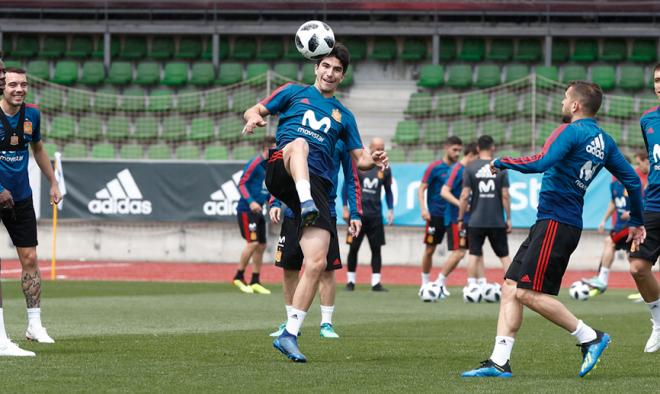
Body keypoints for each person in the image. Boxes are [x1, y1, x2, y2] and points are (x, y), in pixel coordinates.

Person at [461, 81, 645, 378]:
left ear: (575, 105)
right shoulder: (605, 140)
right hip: (558, 222)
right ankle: (499, 362)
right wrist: (636, 221)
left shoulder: (570, 131)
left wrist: (502, 161)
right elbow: (634, 182)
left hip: (555, 222)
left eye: (564, 97)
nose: (562, 102)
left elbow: (542, 162)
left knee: (527, 293)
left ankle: (590, 336)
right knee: (510, 286)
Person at [242, 43, 388, 363]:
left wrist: (373, 159)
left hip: (318, 187)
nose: (330, 73)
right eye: (325, 66)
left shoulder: (344, 116)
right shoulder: (292, 92)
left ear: (342, 76)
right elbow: (253, 110)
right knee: (299, 144)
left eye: (337, 69)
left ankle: (289, 334)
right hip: (282, 171)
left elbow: (359, 159)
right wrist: (254, 119)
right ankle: (305, 202)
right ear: (316, 67)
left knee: (318, 262)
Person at [269, 138, 361, 338]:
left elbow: (352, 177)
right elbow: (282, 166)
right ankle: (291, 323)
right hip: (294, 210)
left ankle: (326, 323)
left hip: (325, 211)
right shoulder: (301, 135)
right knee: (289, 268)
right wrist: (275, 201)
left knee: (326, 269)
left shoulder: (340, 141)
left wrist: (355, 213)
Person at [0, 68, 62, 356]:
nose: (19, 88)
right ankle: (0, 337)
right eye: (13, 84)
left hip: (21, 196)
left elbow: (37, 148)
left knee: (31, 258)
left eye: (23, 84)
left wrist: (52, 181)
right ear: (3, 86)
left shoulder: (32, 115)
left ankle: (34, 326)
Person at [583, 151, 649, 296]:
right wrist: (603, 220)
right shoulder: (614, 183)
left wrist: (632, 213)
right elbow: (613, 202)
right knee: (634, 260)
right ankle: (646, 290)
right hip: (620, 225)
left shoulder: (633, 181)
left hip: (631, 225)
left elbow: (643, 201)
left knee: (610, 242)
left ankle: (601, 280)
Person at [628, 62, 660, 352]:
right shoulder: (647, 120)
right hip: (654, 204)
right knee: (638, 267)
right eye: (657, 80)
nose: (659, 85)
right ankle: (659, 321)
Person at [458, 135, 512, 292]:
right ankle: (512, 285)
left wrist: (461, 217)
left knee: (474, 253)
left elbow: (464, 196)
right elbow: (505, 195)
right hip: (496, 220)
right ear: (492, 148)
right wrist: (508, 218)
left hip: (476, 220)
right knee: (504, 255)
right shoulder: (500, 167)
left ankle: (471, 286)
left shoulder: (470, 168)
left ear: (477, 149)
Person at [344, 137, 393, 292]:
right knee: (353, 248)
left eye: (382, 147)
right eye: (376, 147)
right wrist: (345, 207)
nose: (379, 150)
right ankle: (350, 281)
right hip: (358, 215)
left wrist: (390, 209)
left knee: (376, 249)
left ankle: (376, 282)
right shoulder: (359, 165)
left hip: (375, 216)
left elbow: (389, 191)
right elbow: (346, 187)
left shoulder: (385, 168)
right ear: (369, 148)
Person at [232, 137, 277, 294]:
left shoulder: (271, 167)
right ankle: (238, 277)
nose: (277, 152)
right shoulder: (255, 163)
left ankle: (255, 280)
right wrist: (251, 201)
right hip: (246, 210)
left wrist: (271, 205)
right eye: (274, 149)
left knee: (261, 245)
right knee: (252, 243)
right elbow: (242, 183)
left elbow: (270, 190)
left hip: (259, 212)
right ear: (266, 150)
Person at [435, 142, 479, 296]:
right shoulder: (456, 169)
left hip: (469, 218)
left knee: (476, 251)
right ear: (471, 155)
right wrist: (461, 204)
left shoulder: (469, 170)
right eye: (477, 158)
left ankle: (479, 284)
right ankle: (438, 283)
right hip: (455, 219)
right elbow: (444, 192)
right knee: (460, 252)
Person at [418, 136, 462, 289]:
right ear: (446, 148)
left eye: (459, 151)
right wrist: (424, 209)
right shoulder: (434, 167)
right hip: (435, 214)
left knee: (458, 251)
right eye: (454, 150)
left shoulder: (458, 168)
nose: (457, 153)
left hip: (452, 216)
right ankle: (425, 283)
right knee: (430, 249)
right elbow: (421, 188)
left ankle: (440, 282)